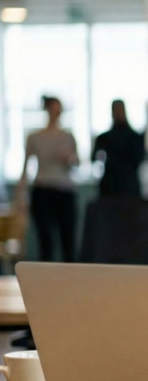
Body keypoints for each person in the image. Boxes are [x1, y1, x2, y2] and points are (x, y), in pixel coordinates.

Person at [18, 96, 79, 262]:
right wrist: (21, 196)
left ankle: (70, 280)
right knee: (46, 242)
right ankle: (45, 282)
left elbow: (77, 162)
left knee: (68, 241)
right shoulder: (35, 136)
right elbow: (25, 168)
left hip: (65, 191)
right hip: (43, 190)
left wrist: (69, 158)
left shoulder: (68, 136)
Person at [92, 99, 147, 197]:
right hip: (110, 187)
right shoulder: (104, 138)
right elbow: (94, 158)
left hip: (129, 188)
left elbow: (140, 159)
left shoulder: (135, 138)